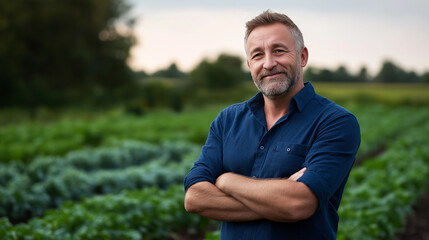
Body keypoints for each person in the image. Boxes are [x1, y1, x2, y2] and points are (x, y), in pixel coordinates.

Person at [184, 10, 360, 240]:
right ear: (249, 64)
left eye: (278, 51)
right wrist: (279, 201)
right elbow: (195, 198)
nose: (268, 63)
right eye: (258, 55)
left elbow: (298, 204)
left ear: (302, 56)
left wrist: (226, 180)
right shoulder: (227, 120)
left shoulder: (335, 122)